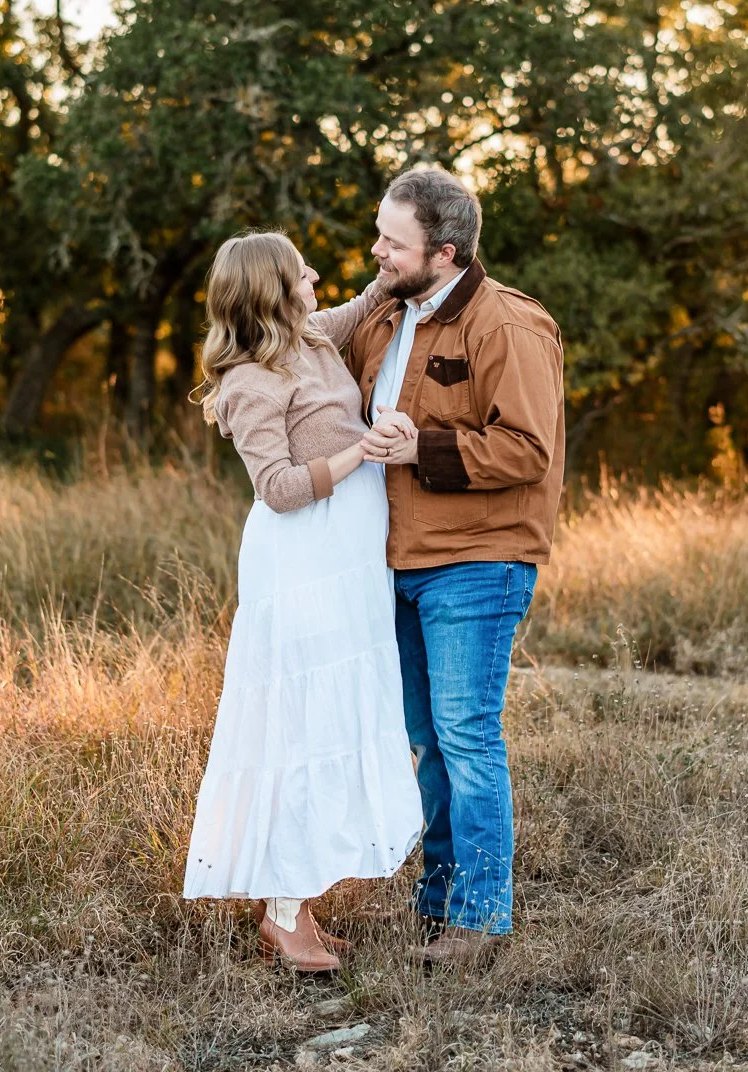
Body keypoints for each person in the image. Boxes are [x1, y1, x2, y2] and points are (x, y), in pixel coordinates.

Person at [182, 231, 423, 973]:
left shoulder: (314, 338)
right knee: (299, 729)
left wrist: (408, 254)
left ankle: (299, 910)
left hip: (346, 562)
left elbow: (376, 297)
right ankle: (282, 915)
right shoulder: (252, 380)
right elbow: (279, 490)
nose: (314, 274)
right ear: (272, 292)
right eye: (299, 270)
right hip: (303, 561)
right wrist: (363, 452)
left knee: (330, 722)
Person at [351, 168, 566, 967]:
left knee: (468, 738)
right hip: (397, 562)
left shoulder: (507, 325)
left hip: (478, 560)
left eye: (391, 242)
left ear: (442, 253)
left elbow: (528, 447)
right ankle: (438, 907)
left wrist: (422, 447)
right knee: (428, 741)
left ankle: (481, 922)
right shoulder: (384, 317)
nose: (376, 251)